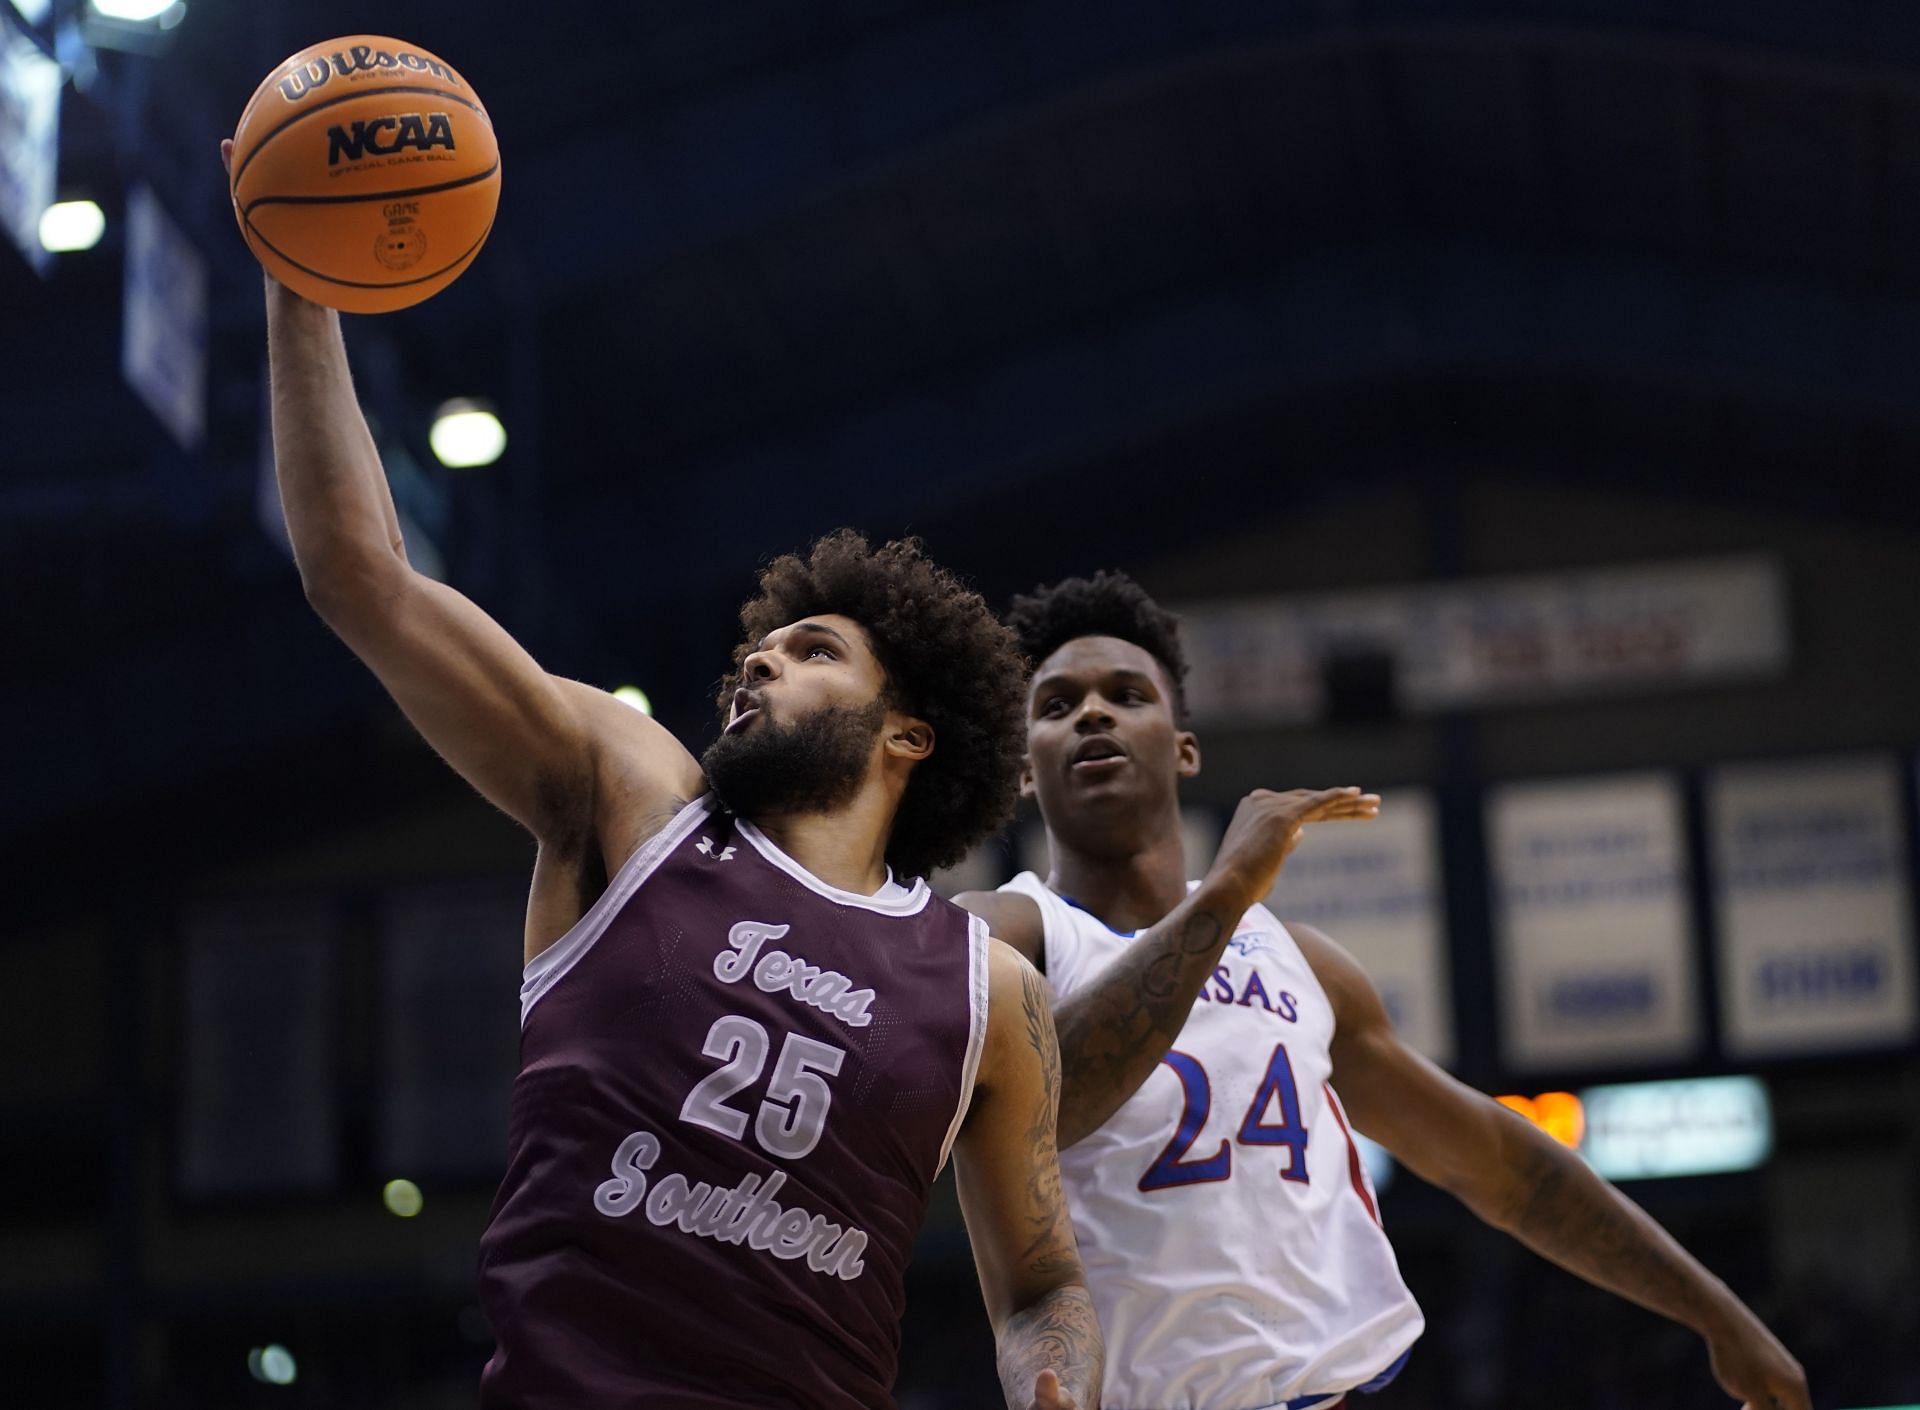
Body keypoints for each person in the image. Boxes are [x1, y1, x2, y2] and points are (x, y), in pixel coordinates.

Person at [226, 137, 1101, 1410]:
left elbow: (1041, 1280)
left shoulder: (986, 990)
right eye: (752, 649)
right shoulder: (639, 804)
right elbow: (362, 580)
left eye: (809, 652)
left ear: (911, 735)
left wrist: (1055, 1379)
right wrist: (297, 280)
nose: (755, 665)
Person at [955, 570, 1809, 1410]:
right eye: (1056, 705)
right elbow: (1039, 1112)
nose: (1093, 713)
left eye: (1127, 694)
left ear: (1183, 747)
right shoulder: (1001, 935)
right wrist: (1225, 893)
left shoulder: (1304, 962)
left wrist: (1717, 1313)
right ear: (1026, 769)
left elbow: (1503, 1168)